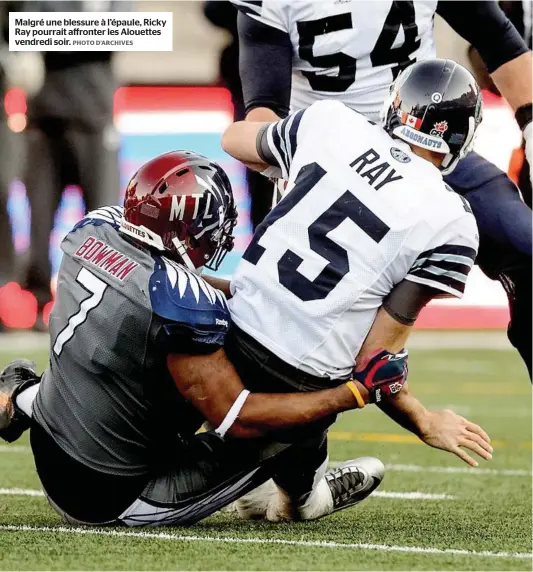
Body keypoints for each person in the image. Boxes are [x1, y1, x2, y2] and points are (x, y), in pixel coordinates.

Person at [0, 144, 491, 527]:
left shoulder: (96, 227)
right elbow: (238, 417)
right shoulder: (180, 301)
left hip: (56, 437)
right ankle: (308, 499)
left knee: (91, 361)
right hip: (112, 496)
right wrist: (354, 392)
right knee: (290, 406)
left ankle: (14, 395)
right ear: (187, 230)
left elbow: (149, 280)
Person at [233, 0, 533, 378]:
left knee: (527, 249)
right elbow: (263, 110)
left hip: (427, 144)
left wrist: (530, 125)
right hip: (338, 156)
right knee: (296, 325)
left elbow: (497, 37)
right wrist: (286, 165)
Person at [21, 0, 126, 331]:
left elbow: (131, 32)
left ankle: (103, 303)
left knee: (104, 222)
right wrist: (89, 31)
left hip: (94, 117)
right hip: (45, 117)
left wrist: (58, 32)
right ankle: (37, 302)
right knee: (39, 218)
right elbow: (26, 31)